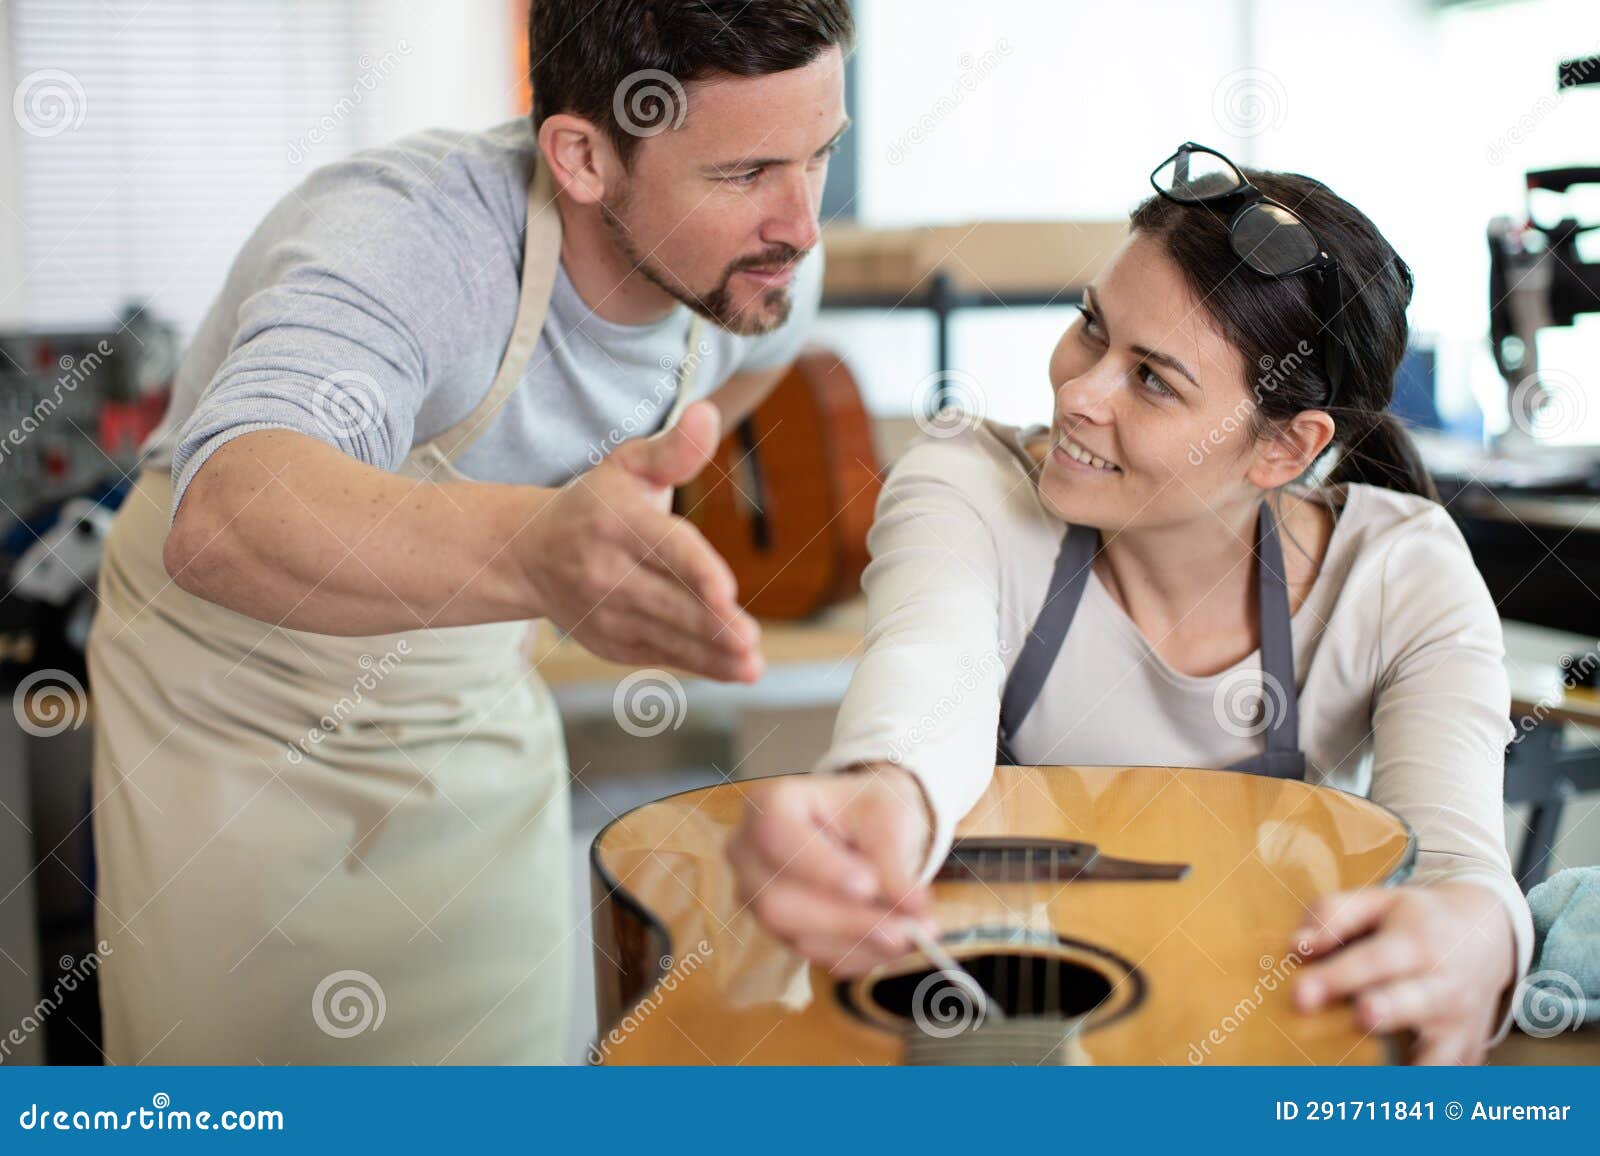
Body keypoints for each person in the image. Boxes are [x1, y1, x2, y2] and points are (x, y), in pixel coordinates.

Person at [86, 0, 853, 1064]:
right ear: (582, 156)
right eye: (743, 173)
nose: (802, 223)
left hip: (465, 697)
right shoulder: (410, 239)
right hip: (237, 715)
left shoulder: (765, 279)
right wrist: (539, 551)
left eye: (820, 154)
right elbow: (229, 515)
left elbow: (747, 374)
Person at [729, 142, 1532, 1065]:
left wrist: (1477, 942)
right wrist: (884, 801)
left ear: (1284, 448)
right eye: (1090, 327)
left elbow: (1458, 863)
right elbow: (926, 684)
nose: (1078, 392)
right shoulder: (966, 483)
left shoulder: (1400, 573)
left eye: (1153, 379)